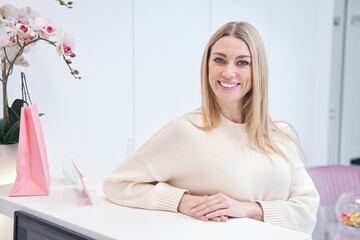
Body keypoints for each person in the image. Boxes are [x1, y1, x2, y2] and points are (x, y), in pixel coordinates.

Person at [103, 21, 319, 234]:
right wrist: (182, 201)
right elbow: (117, 184)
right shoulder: (186, 131)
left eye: (242, 63)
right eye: (219, 60)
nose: (228, 72)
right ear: (207, 65)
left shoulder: (279, 133)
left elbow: (308, 210)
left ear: (258, 70)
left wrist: (250, 209)